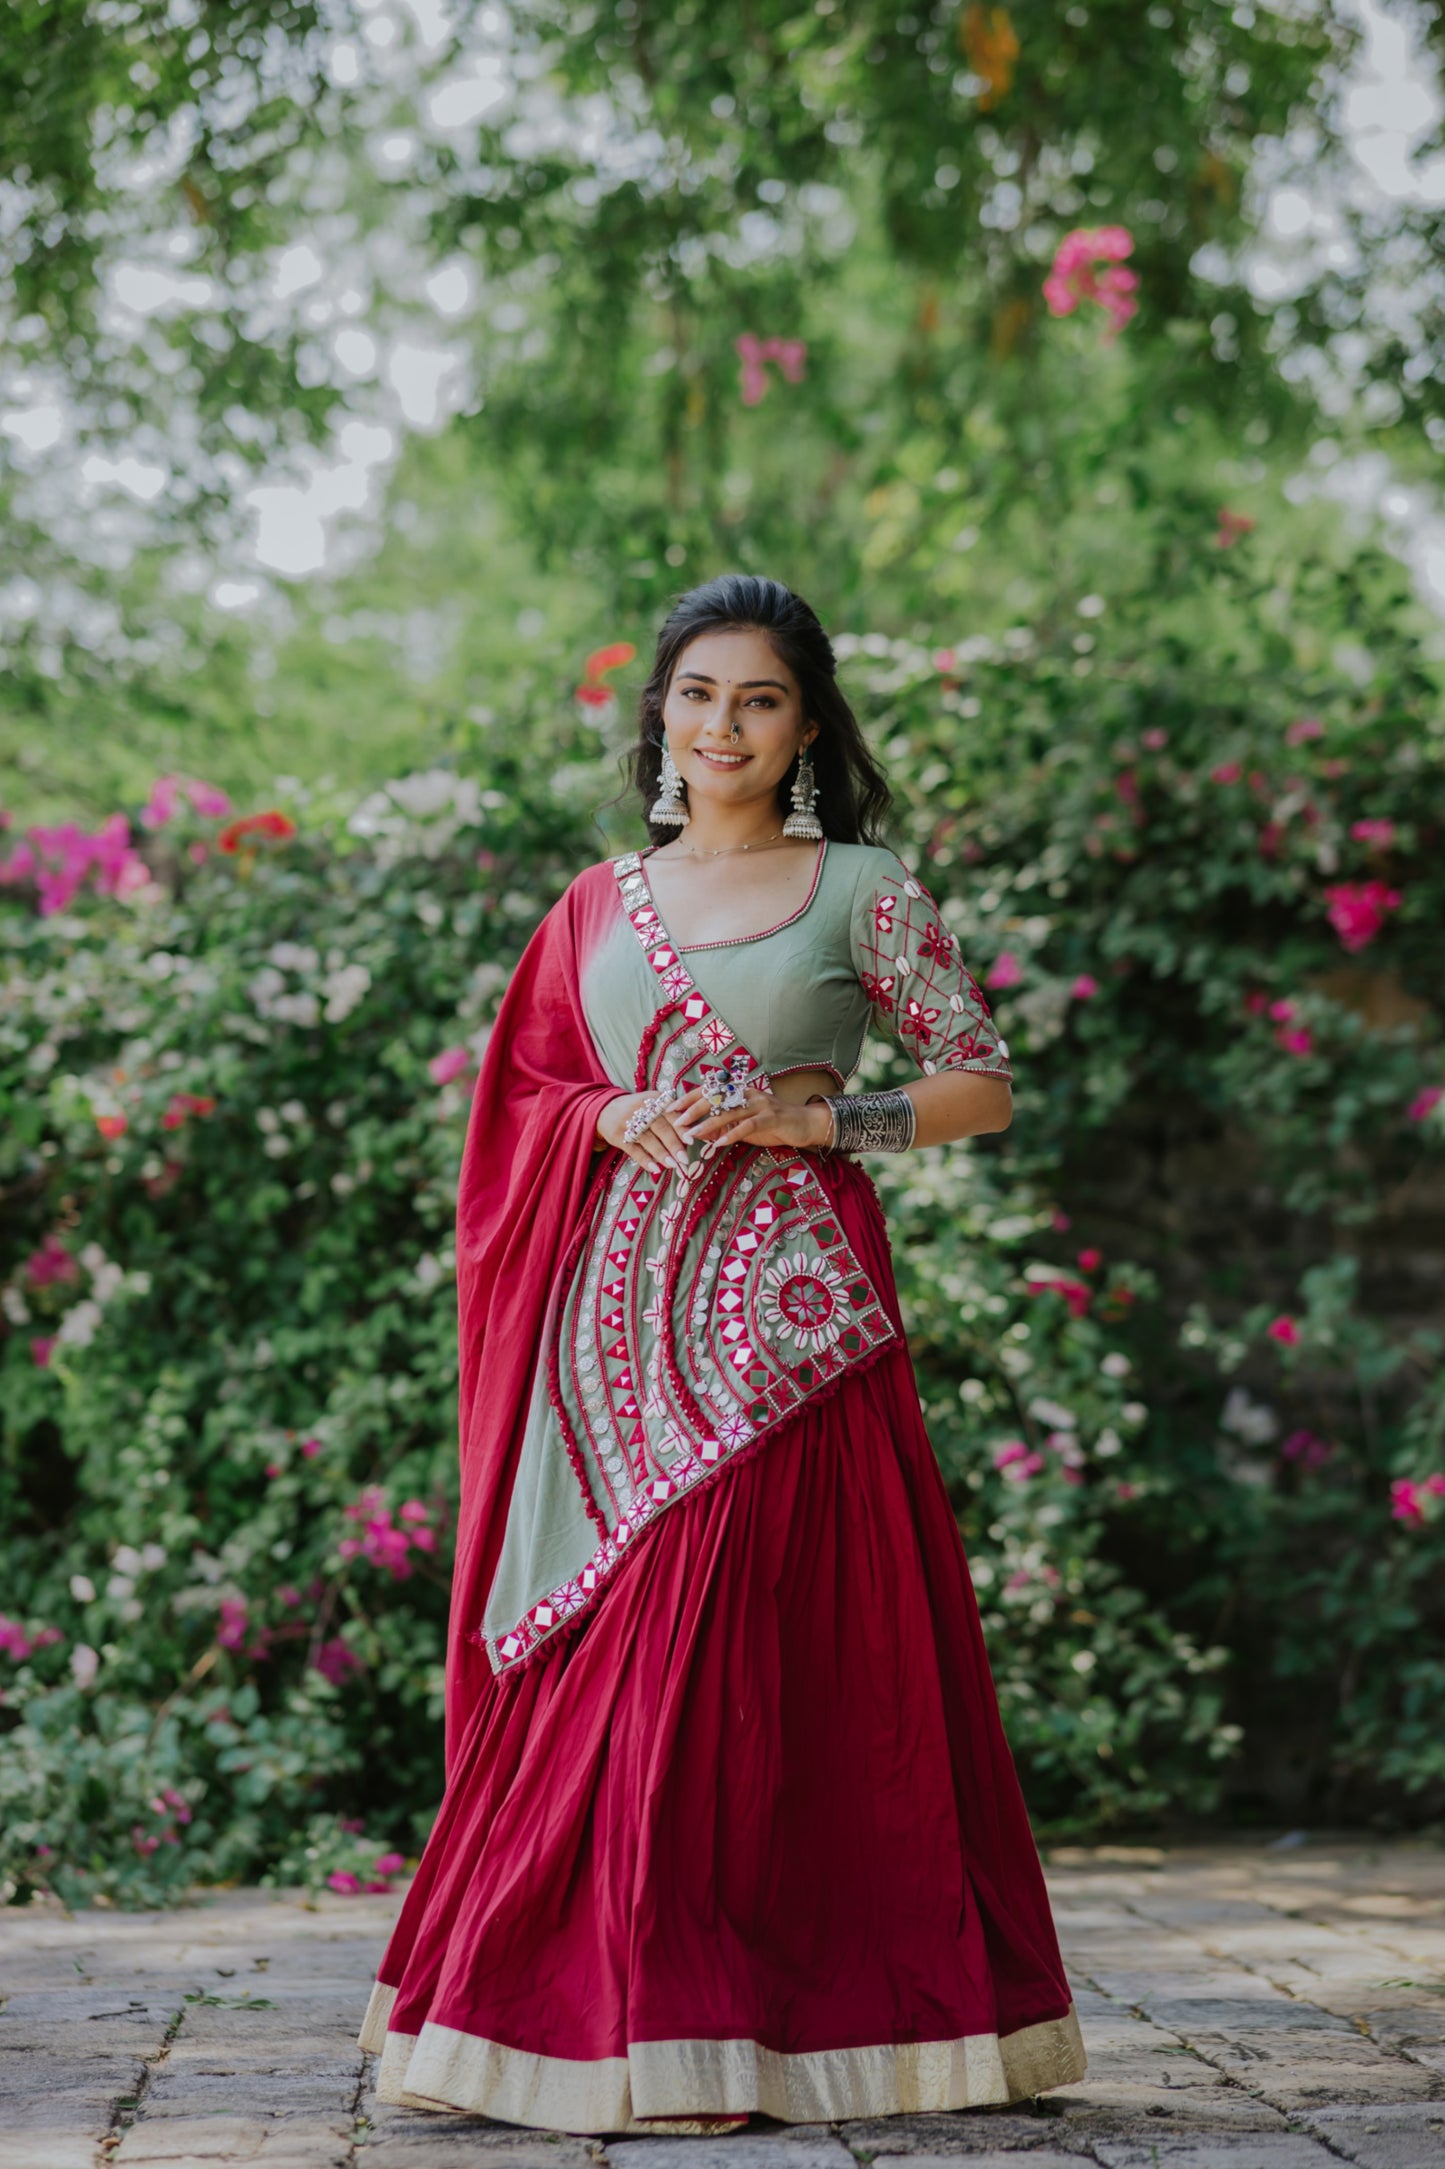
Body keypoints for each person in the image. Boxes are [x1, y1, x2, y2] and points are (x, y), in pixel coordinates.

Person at [357, 574, 1087, 2134]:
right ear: (661, 714)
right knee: (603, 1661)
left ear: (805, 726)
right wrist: (607, 1109)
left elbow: (979, 1082)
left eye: (758, 698)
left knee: (740, 1672)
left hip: (790, 1338)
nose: (723, 725)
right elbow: (527, 1093)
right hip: (607, 1343)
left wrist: (821, 1121)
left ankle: (719, 2034)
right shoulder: (593, 903)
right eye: (697, 694)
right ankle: (565, 2020)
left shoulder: (859, 887)